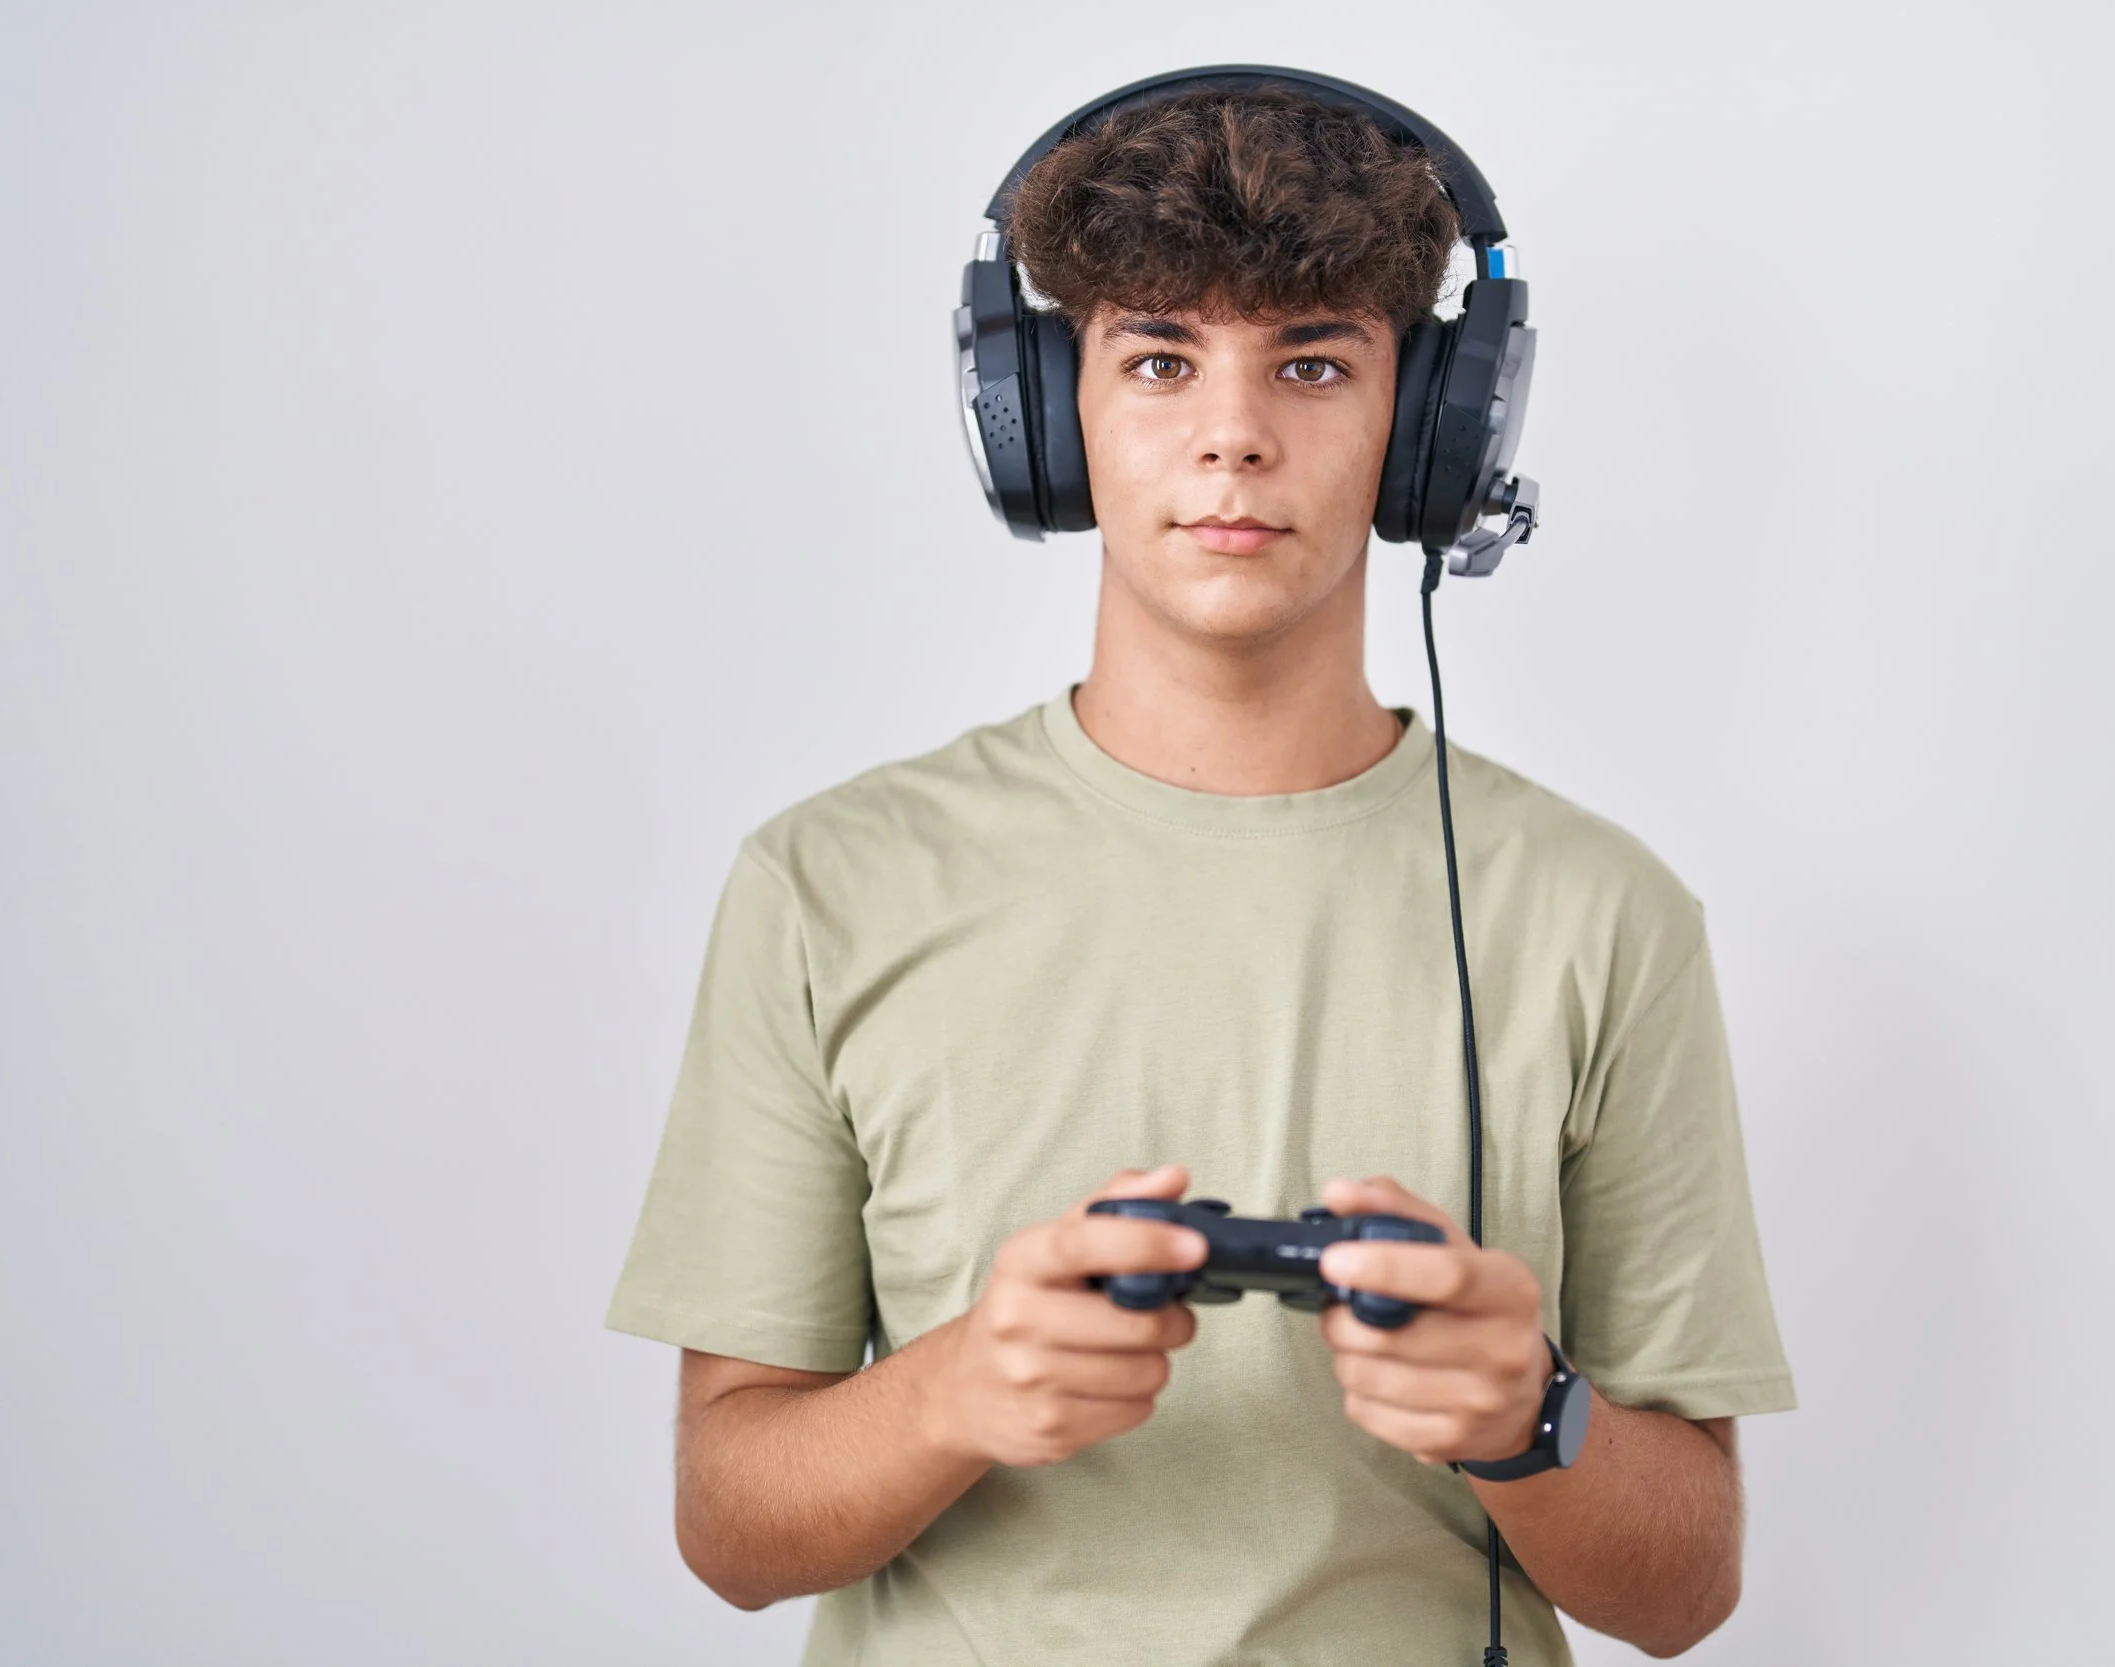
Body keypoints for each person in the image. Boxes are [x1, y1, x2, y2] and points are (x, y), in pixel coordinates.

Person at [606, 77, 1795, 1665]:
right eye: (1159, 359)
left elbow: (1685, 1583)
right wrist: (955, 1387)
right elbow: (729, 1529)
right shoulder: (825, 885)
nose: (1235, 433)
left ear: (1429, 428)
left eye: (1312, 362)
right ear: (1046, 414)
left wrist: (1532, 1417)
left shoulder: (1605, 915)